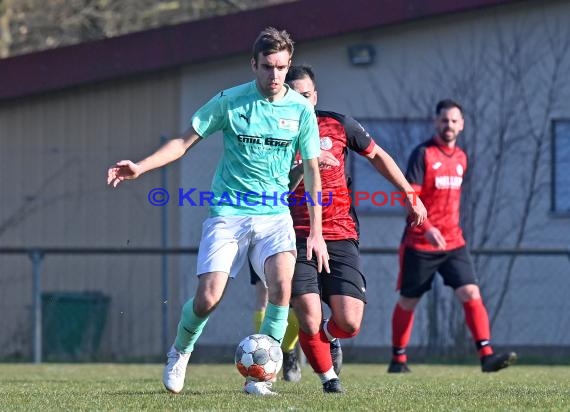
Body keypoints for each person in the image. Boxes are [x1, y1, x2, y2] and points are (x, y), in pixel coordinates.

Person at [106, 27, 330, 396]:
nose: (274, 76)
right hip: (229, 213)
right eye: (267, 67)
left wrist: (317, 231)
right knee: (209, 297)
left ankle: (261, 376)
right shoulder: (230, 101)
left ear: (287, 65)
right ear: (253, 65)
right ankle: (180, 351)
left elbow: (311, 171)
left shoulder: (301, 110)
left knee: (282, 287)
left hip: (274, 215)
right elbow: (183, 142)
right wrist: (140, 168)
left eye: (281, 67)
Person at [280, 65, 427, 393]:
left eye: (306, 96)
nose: (301, 102)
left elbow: (377, 156)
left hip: (340, 232)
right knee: (308, 314)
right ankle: (329, 380)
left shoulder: (338, 124)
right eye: (293, 96)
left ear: (314, 96)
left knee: (349, 321)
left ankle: (330, 338)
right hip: (294, 233)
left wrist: (409, 193)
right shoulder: (276, 131)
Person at [388, 99, 517, 373]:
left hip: (453, 242)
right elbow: (409, 197)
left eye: (454, 121)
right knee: (409, 300)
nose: (449, 125)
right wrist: (428, 227)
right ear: (436, 122)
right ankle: (398, 359)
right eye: (444, 120)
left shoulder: (462, 157)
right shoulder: (422, 154)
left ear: (462, 125)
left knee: (471, 292)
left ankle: (486, 355)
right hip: (420, 242)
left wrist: (444, 229)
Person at [249, 262, 302, 382]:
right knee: (263, 295)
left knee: (294, 297)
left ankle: (288, 350)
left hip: (293, 246)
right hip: (260, 244)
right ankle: (265, 360)